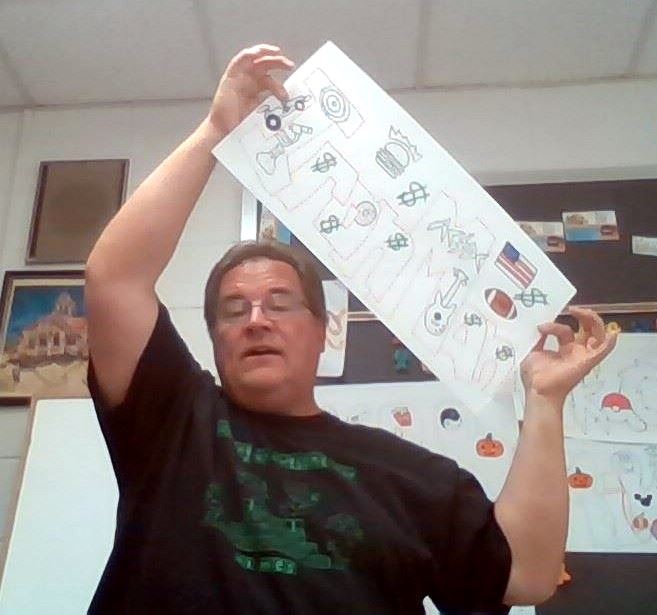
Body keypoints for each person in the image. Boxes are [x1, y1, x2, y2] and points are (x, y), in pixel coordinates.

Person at [84, 44, 617, 614]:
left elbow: (528, 575)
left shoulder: (408, 477)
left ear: (325, 331)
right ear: (215, 338)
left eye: (280, 304)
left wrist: (545, 400)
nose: (256, 320)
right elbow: (114, 277)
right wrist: (216, 131)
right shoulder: (174, 424)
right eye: (234, 311)